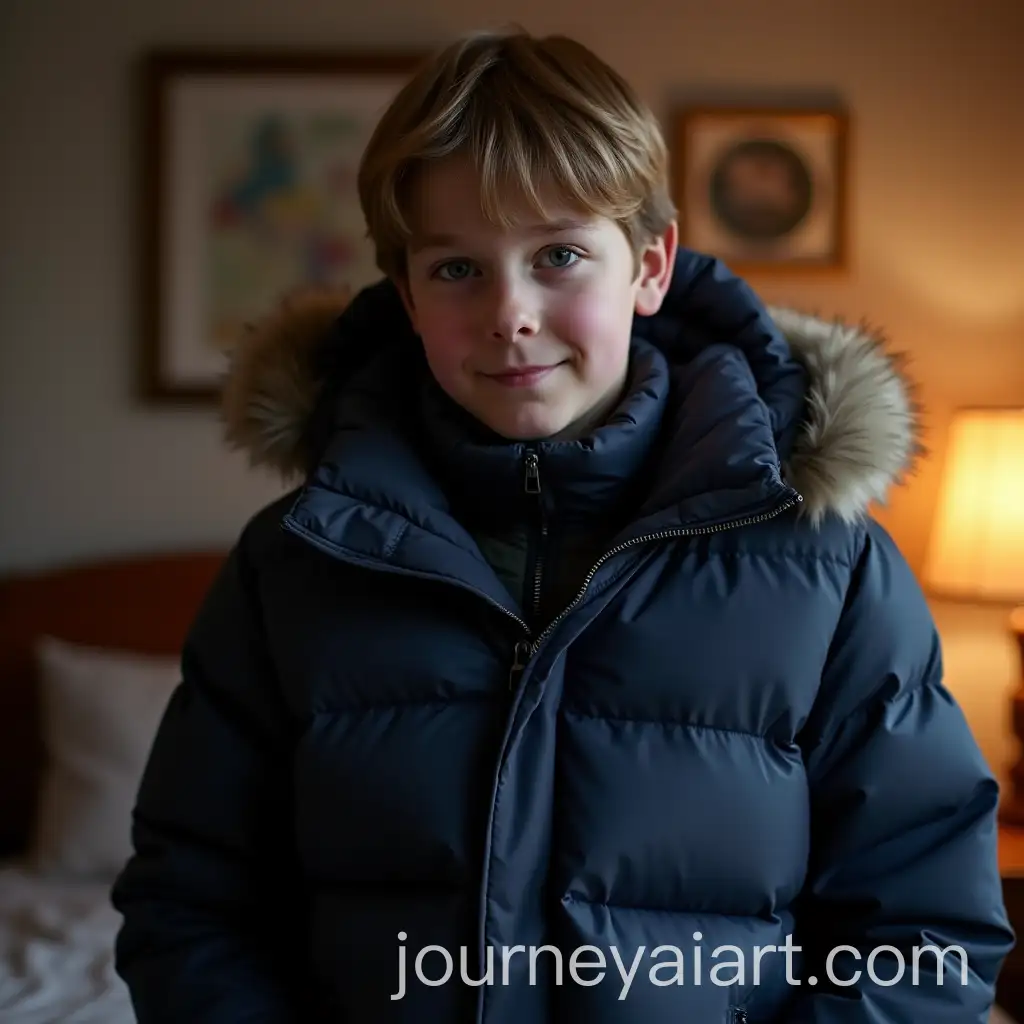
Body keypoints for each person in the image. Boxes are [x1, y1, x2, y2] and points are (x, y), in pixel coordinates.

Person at [111, 27, 1013, 1024]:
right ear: (405, 291)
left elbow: (921, 937)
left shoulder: (830, 570)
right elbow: (191, 906)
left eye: (559, 255)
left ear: (650, 265)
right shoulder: (292, 568)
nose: (511, 313)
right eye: (456, 269)